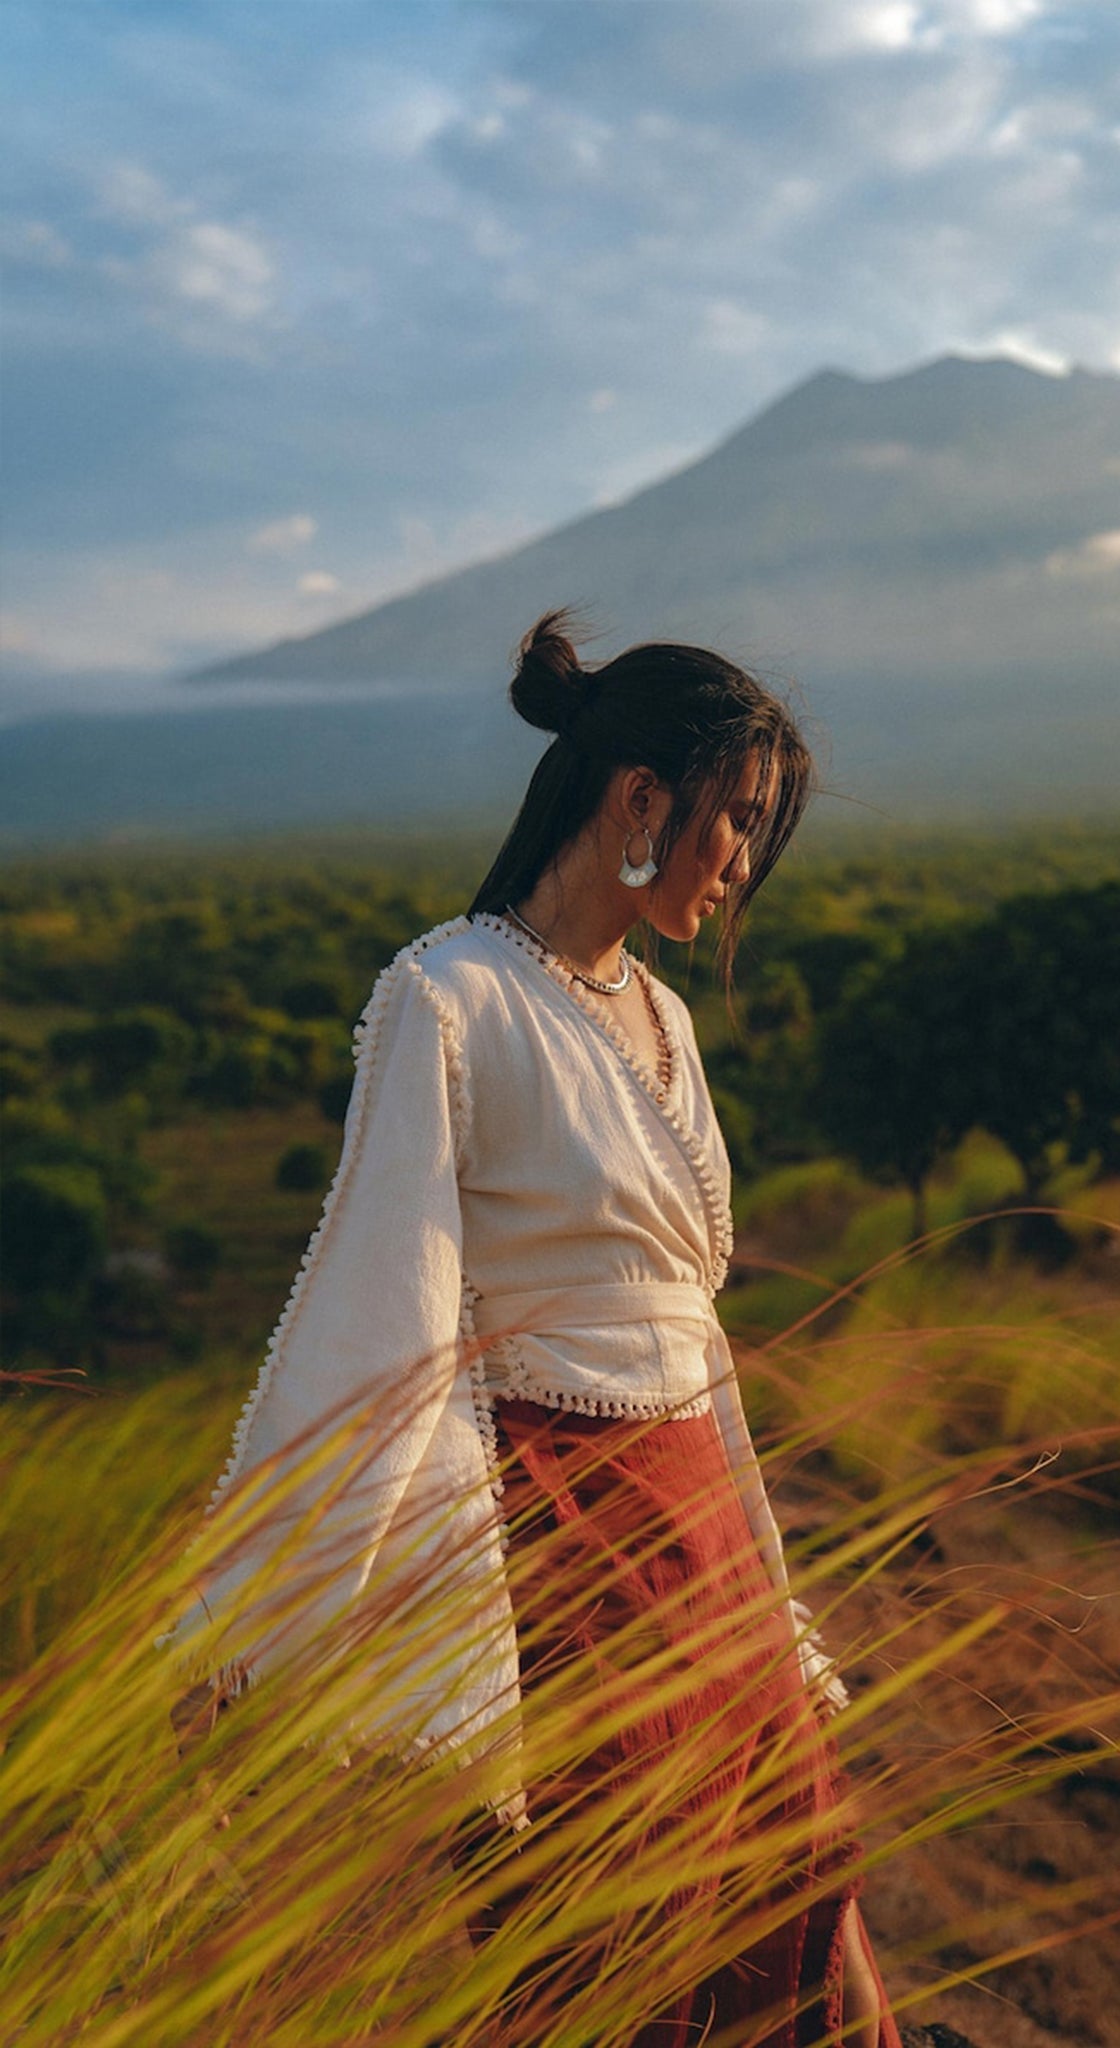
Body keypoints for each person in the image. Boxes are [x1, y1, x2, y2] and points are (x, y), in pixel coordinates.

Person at [170, 613, 899, 2047]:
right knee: (609, 1930)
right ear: (638, 800)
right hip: (567, 1544)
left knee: (792, 1875)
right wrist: (255, 1620)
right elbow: (382, 1308)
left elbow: (695, 1339)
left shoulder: (668, 1026)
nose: (742, 863)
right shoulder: (446, 997)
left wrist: (767, 1584)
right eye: (733, 822)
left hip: (706, 1535)